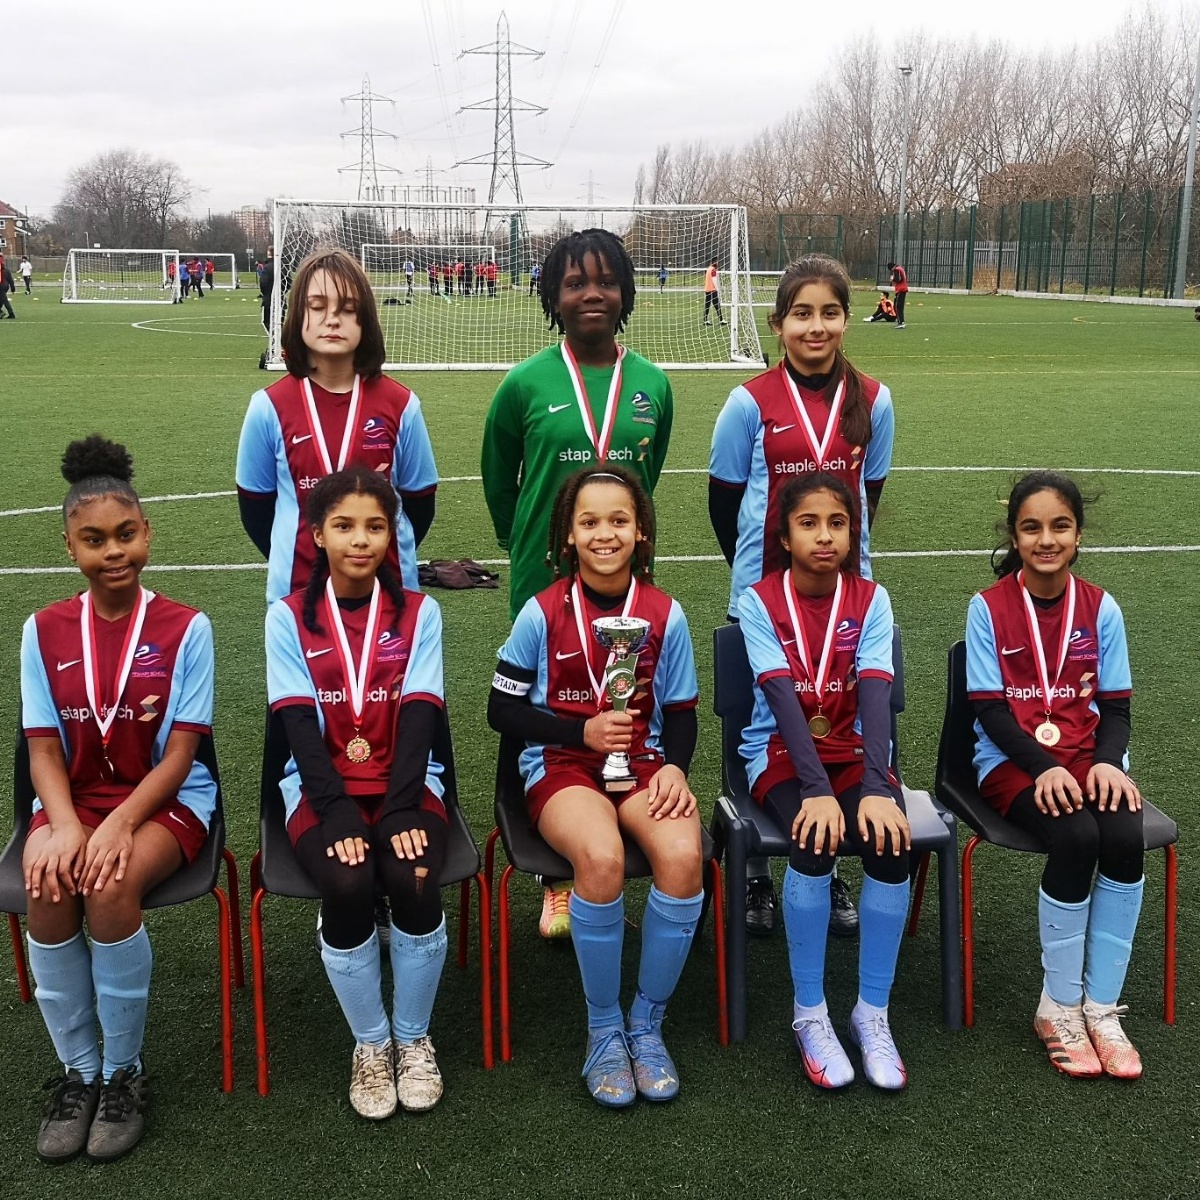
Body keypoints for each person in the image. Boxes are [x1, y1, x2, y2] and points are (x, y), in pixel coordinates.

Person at [21, 435, 216, 1162]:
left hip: (165, 802)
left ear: (148, 533)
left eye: (127, 535)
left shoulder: (186, 627)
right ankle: (80, 1073)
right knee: (47, 884)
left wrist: (120, 825)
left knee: (108, 886)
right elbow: (43, 751)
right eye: (94, 539)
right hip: (70, 802)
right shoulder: (41, 630)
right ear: (69, 544)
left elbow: (181, 755)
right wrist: (65, 826)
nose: (114, 553)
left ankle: (125, 1074)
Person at [488, 466, 702, 1107]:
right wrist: (577, 731)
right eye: (589, 522)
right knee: (602, 858)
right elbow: (501, 710)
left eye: (618, 521)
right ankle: (603, 1027)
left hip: (642, 764)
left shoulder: (665, 613)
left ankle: (647, 1021)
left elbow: (684, 715)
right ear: (568, 537)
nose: (604, 533)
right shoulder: (541, 610)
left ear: (641, 534)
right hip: (561, 764)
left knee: (685, 858)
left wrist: (674, 768)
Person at [482, 229, 674, 939]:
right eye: (574, 282)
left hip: (625, 578)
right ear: (552, 296)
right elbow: (500, 482)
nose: (591, 293)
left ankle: (618, 821)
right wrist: (528, 544)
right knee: (546, 709)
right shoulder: (524, 383)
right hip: (544, 575)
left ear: (624, 291)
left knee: (622, 704)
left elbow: (644, 484)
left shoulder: (653, 385)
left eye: (605, 281)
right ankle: (557, 872)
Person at [709, 254, 895, 936]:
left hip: (846, 597)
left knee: (840, 715)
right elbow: (724, 502)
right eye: (801, 314)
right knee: (758, 730)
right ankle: (756, 874)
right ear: (778, 323)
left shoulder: (874, 399)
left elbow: (867, 498)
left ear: (846, 319)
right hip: (762, 596)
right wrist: (764, 582)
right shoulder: (748, 402)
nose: (815, 327)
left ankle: (834, 858)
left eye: (829, 312)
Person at [266, 465, 450, 1119]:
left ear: (392, 536)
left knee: (415, 871)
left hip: (406, 783)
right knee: (346, 880)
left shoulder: (419, 611)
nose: (360, 540)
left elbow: (423, 714)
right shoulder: (288, 618)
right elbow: (296, 728)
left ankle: (413, 1037)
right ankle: (371, 1045)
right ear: (317, 534)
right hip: (322, 789)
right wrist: (338, 809)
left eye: (375, 526)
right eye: (343, 526)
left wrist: (399, 805)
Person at [966, 471, 1144, 1080]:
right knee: (1075, 836)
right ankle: (1059, 1006)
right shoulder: (987, 608)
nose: (1047, 539)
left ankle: (1101, 1008)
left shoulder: (1102, 606)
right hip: (1011, 764)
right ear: (1014, 538)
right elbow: (989, 709)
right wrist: (1041, 768)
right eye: (1032, 527)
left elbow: (1116, 709)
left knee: (1124, 834)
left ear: (1077, 533)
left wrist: (1104, 764)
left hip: (1087, 758)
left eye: (1060, 526)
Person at [738, 472, 911, 1090]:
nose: (824, 536)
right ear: (784, 535)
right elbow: (782, 698)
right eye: (808, 523)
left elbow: (876, 698)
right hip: (783, 755)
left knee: (893, 843)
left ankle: (872, 1013)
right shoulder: (759, 601)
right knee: (814, 841)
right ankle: (809, 1013)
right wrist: (815, 791)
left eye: (837, 523)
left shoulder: (872, 599)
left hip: (857, 754)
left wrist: (874, 787)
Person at [237, 247, 437, 608]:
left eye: (347, 309)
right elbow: (255, 510)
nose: (332, 319)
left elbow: (420, 505)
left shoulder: (401, 404)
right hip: (297, 593)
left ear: (365, 320)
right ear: (299, 315)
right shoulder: (267, 407)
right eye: (317, 306)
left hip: (388, 591)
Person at [702, 259, 725, 326]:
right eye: (716, 262)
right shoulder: (713, 270)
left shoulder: (708, 269)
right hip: (712, 290)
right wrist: (717, 289)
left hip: (707, 290)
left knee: (708, 305)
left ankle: (705, 320)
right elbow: (714, 279)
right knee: (717, 305)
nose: (717, 264)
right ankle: (721, 320)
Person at [886, 261, 908, 328]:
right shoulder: (900, 268)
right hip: (902, 289)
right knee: (899, 306)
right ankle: (901, 321)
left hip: (900, 289)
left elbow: (898, 279)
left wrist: (892, 279)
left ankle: (901, 322)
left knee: (898, 306)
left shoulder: (897, 269)